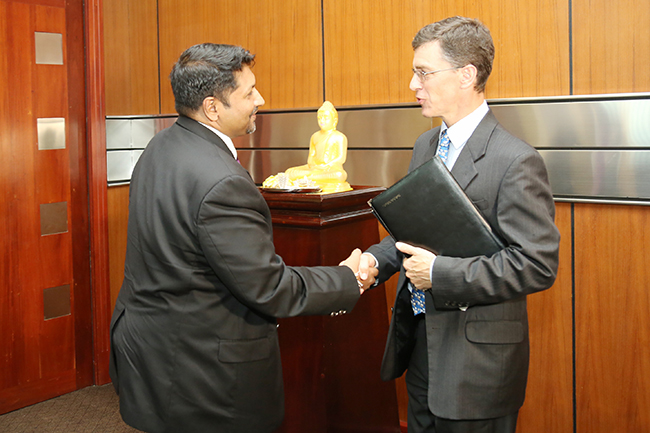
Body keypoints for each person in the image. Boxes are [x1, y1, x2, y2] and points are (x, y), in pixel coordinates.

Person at [109, 43, 364, 433]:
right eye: (249, 93)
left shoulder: (161, 146)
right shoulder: (222, 180)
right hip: (204, 373)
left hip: (150, 350)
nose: (260, 99)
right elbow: (269, 287)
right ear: (213, 107)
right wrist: (348, 279)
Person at [357, 17, 560, 433]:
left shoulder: (515, 160)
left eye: (423, 72)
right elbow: (410, 231)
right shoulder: (426, 144)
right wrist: (375, 262)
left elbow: (536, 264)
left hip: (477, 365)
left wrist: (440, 274)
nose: (413, 84)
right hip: (421, 347)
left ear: (467, 74)